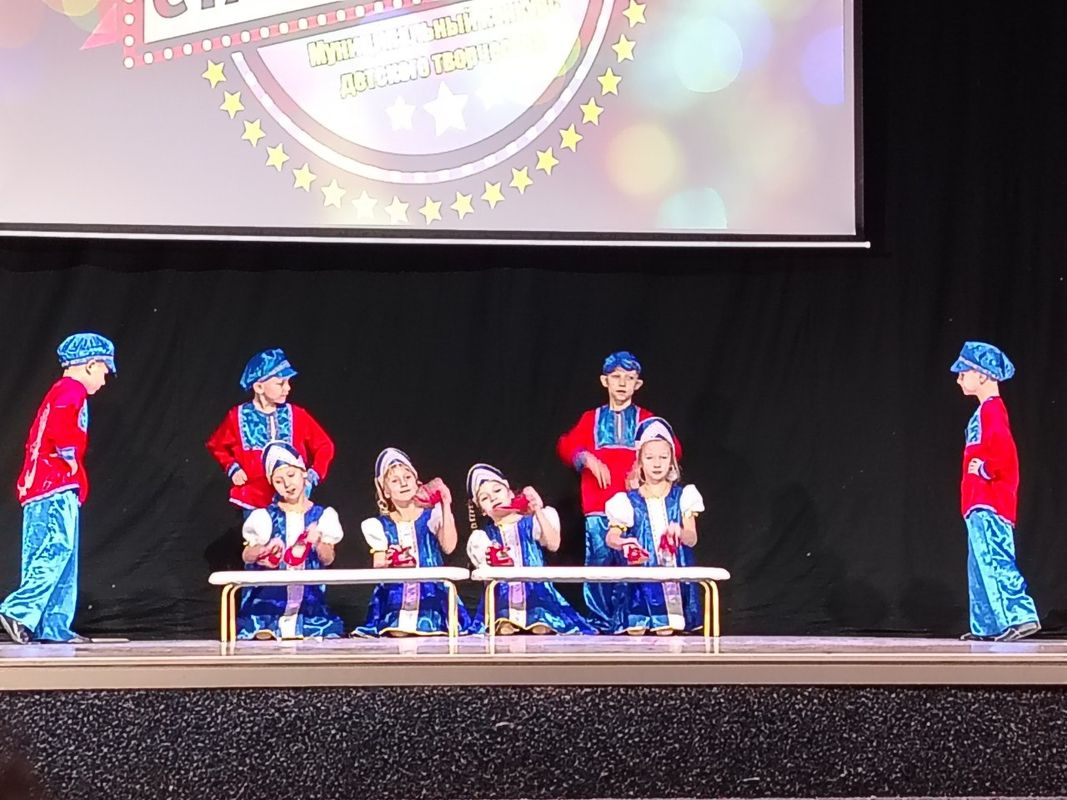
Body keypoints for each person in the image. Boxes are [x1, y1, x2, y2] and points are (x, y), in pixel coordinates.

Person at [0, 333, 116, 644]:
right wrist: (69, 456)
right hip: (54, 484)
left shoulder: (61, 390)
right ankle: (18, 610)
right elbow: (62, 423)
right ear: (90, 364)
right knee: (57, 547)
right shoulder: (71, 390)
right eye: (104, 371)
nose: (104, 380)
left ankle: (52, 625)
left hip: (45, 485)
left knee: (54, 554)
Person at [557, 351, 681, 630]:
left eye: (629, 378)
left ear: (638, 384)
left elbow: (673, 449)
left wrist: (641, 467)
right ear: (605, 381)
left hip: (636, 507)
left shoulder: (647, 420)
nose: (622, 383)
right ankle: (601, 623)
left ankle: (633, 619)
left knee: (635, 564)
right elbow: (566, 445)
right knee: (600, 565)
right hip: (598, 505)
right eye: (616, 377)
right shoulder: (591, 418)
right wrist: (587, 458)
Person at [950, 341, 1040, 642]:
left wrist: (985, 469)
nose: (959, 379)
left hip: (989, 500)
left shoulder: (992, 410)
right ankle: (987, 624)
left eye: (964, 372)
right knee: (979, 565)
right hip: (977, 501)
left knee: (994, 557)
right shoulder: (984, 411)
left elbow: (1005, 454)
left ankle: (1020, 615)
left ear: (983, 375)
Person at [354, 448, 472, 636]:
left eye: (407, 477)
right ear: (386, 491)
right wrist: (390, 562)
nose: (403, 483)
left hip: (432, 594)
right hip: (397, 594)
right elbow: (378, 565)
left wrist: (445, 504)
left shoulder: (432, 515)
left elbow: (449, 547)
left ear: (416, 481)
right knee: (399, 630)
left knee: (428, 627)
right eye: (395, 481)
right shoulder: (379, 525)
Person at [465, 463, 595, 635]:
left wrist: (537, 510)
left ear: (510, 493)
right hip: (503, 597)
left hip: (536, 593)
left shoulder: (531, 522)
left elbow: (553, 544)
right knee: (504, 627)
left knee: (540, 626)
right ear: (482, 510)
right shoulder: (483, 537)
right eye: (485, 498)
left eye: (497, 490)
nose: (493, 498)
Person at [604, 417, 704, 635]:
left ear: (672, 461)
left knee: (667, 631)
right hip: (640, 588)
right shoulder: (627, 501)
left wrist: (679, 532)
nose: (657, 464)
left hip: (674, 584)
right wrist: (623, 543)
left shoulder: (683, 497)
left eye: (663, 457)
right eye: (650, 457)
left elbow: (692, 538)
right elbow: (611, 537)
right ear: (640, 461)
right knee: (637, 633)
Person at [206, 348, 334, 514]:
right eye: (280, 383)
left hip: (293, 499)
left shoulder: (296, 415)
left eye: (288, 382)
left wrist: (312, 476)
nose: (287, 388)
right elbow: (216, 445)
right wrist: (232, 467)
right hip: (254, 501)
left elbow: (325, 445)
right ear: (259, 386)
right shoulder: (237, 417)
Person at [237, 441, 345, 640]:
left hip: (310, 609)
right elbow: (246, 555)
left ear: (303, 473)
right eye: (279, 481)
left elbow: (328, 558)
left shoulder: (322, 516)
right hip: (269, 609)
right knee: (263, 637)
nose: (287, 484)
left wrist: (317, 543)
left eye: (291, 475)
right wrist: (262, 551)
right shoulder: (265, 517)